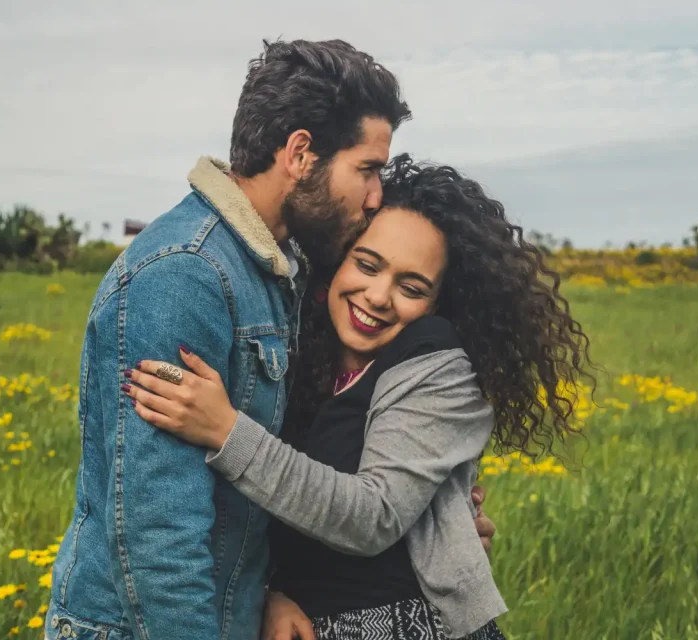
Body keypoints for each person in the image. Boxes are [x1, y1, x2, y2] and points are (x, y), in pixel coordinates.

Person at [44, 40, 494, 640]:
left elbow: (254, 496)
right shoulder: (186, 274)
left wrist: (266, 593)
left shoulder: (280, 268)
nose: (377, 194)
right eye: (367, 169)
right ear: (301, 154)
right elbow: (159, 535)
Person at [124, 155, 593, 639]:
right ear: (335, 262)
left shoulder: (439, 364)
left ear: (437, 304)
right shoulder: (295, 355)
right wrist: (269, 592)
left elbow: (372, 516)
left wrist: (225, 431)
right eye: (367, 265)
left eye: (411, 287)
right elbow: (268, 508)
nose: (377, 295)